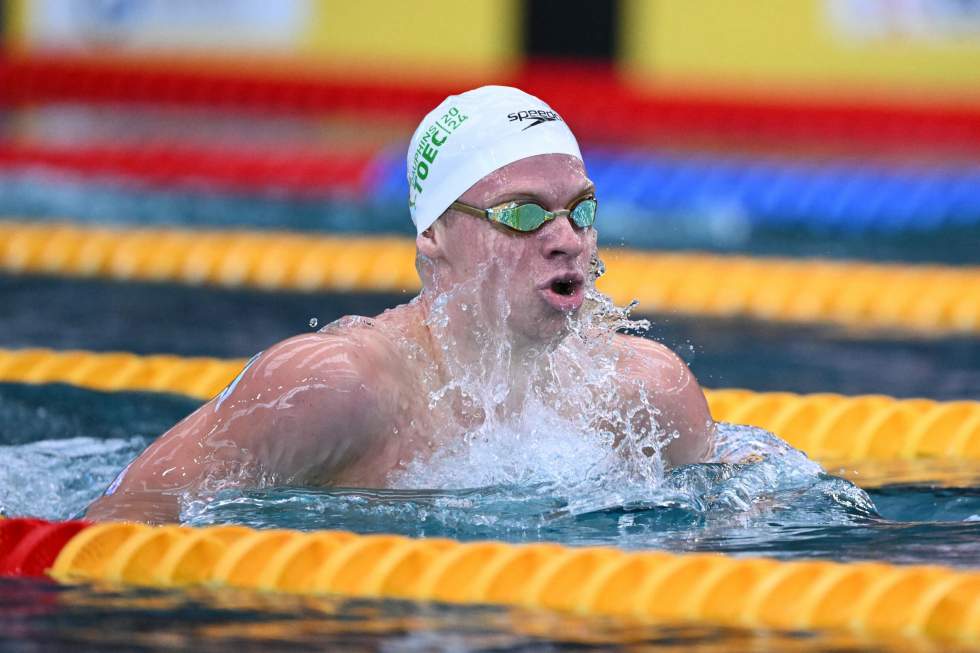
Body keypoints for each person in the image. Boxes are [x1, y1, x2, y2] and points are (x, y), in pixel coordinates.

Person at [86, 86, 714, 523]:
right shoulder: (336, 388)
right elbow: (119, 526)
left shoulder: (643, 393)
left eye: (581, 210)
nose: (566, 240)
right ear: (434, 235)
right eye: (522, 214)